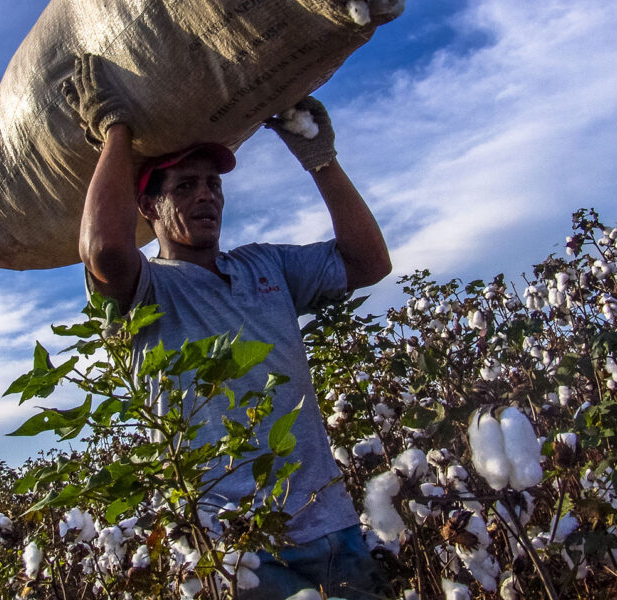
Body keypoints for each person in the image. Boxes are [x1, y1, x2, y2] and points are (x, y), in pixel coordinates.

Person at [65, 54, 393, 599]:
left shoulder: (266, 265)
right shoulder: (143, 289)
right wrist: (115, 128)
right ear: (148, 205)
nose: (206, 195)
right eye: (185, 186)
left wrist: (320, 159)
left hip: (330, 524)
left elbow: (368, 263)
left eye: (213, 185)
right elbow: (103, 248)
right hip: (234, 545)